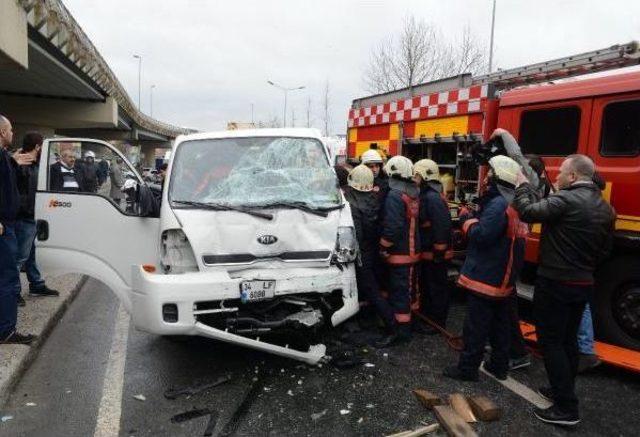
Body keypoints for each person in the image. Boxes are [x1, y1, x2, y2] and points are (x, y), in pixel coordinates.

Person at [513, 154, 615, 426]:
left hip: (556, 281)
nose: (556, 177)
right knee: (568, 341)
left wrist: (523, 185)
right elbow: (605, 250)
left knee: (551, 342)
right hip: (583, 282)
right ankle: (562, 390)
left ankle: (566, 408)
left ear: (572, 177)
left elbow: (528, 212)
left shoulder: (566, 199)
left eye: (561, 173)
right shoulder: (605, 208)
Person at [444, 155, 528, 383]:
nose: (485, 178)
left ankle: (467, 369)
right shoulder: (516, 203)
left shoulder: (499, 204)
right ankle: (499, 366)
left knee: (476, 327)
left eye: (489, 174)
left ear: (497, 177)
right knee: (500, 325)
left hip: (486, 277)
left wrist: (466, 220)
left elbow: (481, 236)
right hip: (503, 278)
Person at [374, 155, 421, 348]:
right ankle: (407, 326)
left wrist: (383, 246)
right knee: (407, 292)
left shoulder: (395, 195)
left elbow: (392, 226)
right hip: (410, 252)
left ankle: (400, 333)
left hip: (400, 254)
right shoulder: (412, 192)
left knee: (399, 294)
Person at [344, 165, 395, 333]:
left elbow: (356, 236)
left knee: (370, 289)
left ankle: (391, 325)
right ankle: (371, 319)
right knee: (375, 286)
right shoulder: (375, 198)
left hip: (362, 254)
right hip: (374, 250)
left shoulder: (352, 203)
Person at [0, 115, 36, 345]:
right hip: (3, 228)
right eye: (11, 129)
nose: (13, 133)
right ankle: (6, 331)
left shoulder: (4, 156)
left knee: (8, 277)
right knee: (8, 279)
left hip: (8, 224)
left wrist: (12, 161)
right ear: (2, 132)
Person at [14, 132, 59, 307]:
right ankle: (13, 292)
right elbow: (20, 194)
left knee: (31, 255)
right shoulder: (21, 165)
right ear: (38, 147)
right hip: (24, 218)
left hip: (31, 217)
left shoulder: (33, 165)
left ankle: (37, 285)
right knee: (19, 258)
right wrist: (29, 211)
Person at [413, 159, 452, 333]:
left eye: (416, 174)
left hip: (435, 256)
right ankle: (429, 318)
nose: (414, 178)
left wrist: (438, 252)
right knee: (428, 288)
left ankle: (437, 323)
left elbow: (441, 226)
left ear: (424, 175)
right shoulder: (427, 195)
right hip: (429, 254)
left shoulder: (432, 198)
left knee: (436, 289)